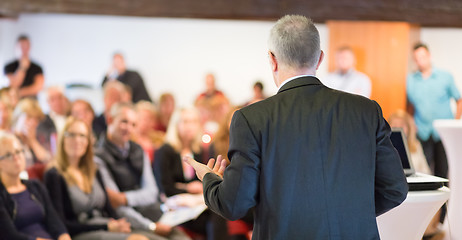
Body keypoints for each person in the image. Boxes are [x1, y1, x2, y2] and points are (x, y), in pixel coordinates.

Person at [184, 15, 408, 239]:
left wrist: (209, 180)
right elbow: (394, 189)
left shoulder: (251, 118)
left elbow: (234, 204)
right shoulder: (366, 111)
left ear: (272, 60)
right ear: (319, 59)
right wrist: (349, 214)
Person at [94, 102, 190, 240]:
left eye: (133, 124)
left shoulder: (138, 150)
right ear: (110, 120)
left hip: (153, 212)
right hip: (127, 222)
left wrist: (124, 198)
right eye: (124, 122)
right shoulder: (98, 156)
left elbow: (151, 192)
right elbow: (115, 206)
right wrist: (150, 226)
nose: (129, 128)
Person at [44, 117, 147, 240]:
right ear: (62, 139)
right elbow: (61, 224)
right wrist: (106, 227)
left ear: (88, 141)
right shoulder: (54, 175)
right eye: (71, 135)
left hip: (106, 225)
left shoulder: (94, 169)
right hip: (82, 233)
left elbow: (109, 208)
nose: (77, 140)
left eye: (82, 136)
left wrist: (119, 224)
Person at [154, 107, 229, 240]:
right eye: (185, 121)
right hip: (174, 207)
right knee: (216, 218)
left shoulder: (197, 150)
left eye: (194, 122)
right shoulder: (165, 151)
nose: (190, 126)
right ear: (176, 124)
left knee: (219, 212)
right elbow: (165, 188)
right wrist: (187, 188)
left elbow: (199, 183)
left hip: (194, 205)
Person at [0, 131, 71, 240]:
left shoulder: (35, 186)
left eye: (19, 151)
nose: (16, 157)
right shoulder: (2, 195)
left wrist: (64, 236)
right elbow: (9, 235)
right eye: (8, 155)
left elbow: (55, 221)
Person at [407, 42, 462, 180]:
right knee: (423, 172)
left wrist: (454, 122)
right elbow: (410, 106)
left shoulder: (445, 77)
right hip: (423, 131)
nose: (420, 60)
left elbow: (459, 100)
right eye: (417, 58)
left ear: (429, 56)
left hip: (442, 134)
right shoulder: (411, 80)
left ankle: (444, 202)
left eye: (423, 56)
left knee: (442, 171)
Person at [12, 98, 51, 180]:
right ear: (18, 117)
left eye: (36, 119)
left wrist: (32, 141)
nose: (33, 123)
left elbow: (49, 162)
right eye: (29, 117)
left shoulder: (39, 138)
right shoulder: (9, 139)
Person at [3, 35, 44, 99]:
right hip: (14, 101)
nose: (24, 50)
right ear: (16, 47)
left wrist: (19, 92)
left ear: (29, 47)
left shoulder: (37, 68)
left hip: (31, 101)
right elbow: (12, 85)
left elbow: (38, 87)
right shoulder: (8, 67)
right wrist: (22, 68)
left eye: (26, 46)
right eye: (21, 47)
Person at [36, 86, 69, 156]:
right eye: (52, 99)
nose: (57, 102)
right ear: (47, 102)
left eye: (60, 97)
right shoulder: (42, 122)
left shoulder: (72, 118)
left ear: (65, 99)